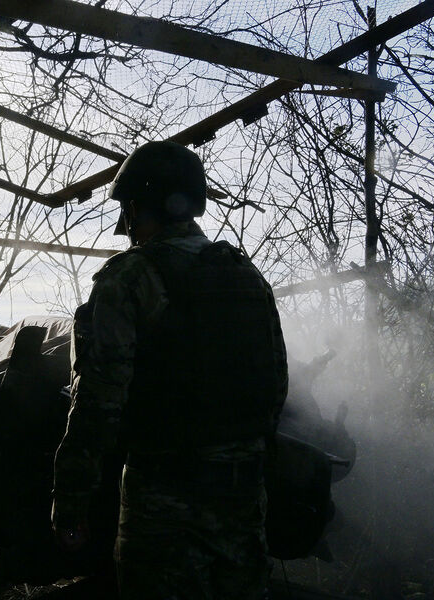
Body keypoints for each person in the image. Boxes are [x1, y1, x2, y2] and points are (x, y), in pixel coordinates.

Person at [51, 141, 288, 600]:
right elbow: (276, 385)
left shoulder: (129, 277)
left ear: (139, 205)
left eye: (127, 208)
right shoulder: (247, 275)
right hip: (242, 501)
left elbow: (98, 400)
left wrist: (71, 499)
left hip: (164, 501)